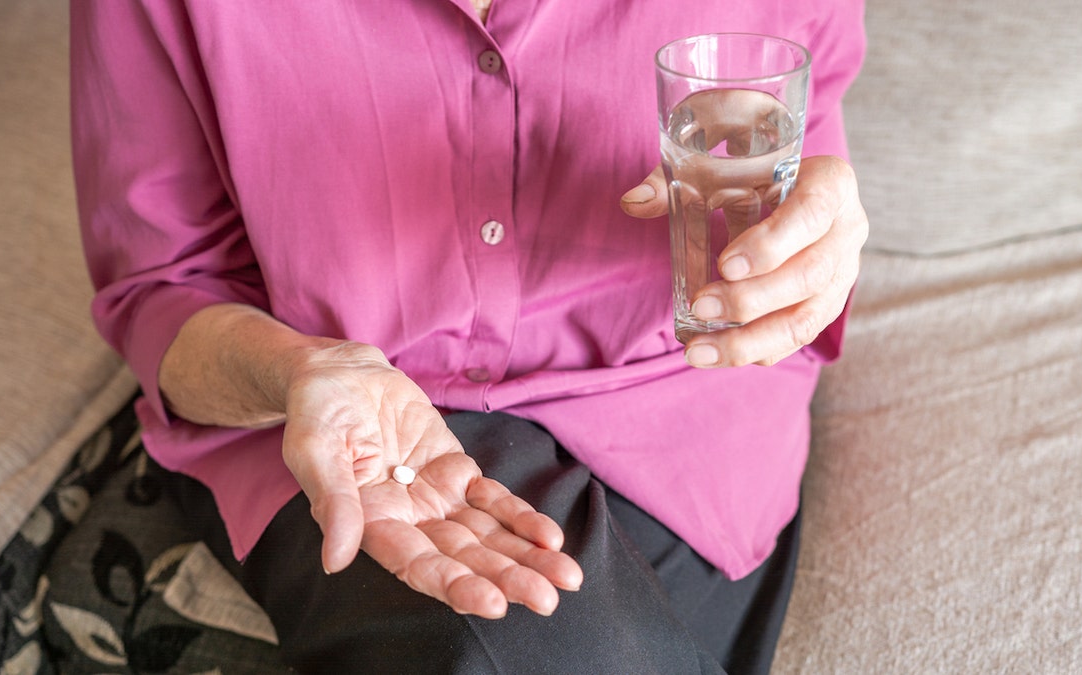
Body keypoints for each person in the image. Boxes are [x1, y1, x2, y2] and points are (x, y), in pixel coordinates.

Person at [70, 1, 867, 672]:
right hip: (325, 417)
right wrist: (301, 370)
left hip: (673, 409)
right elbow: (160, 291)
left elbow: (796, 172)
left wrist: (814, 244)